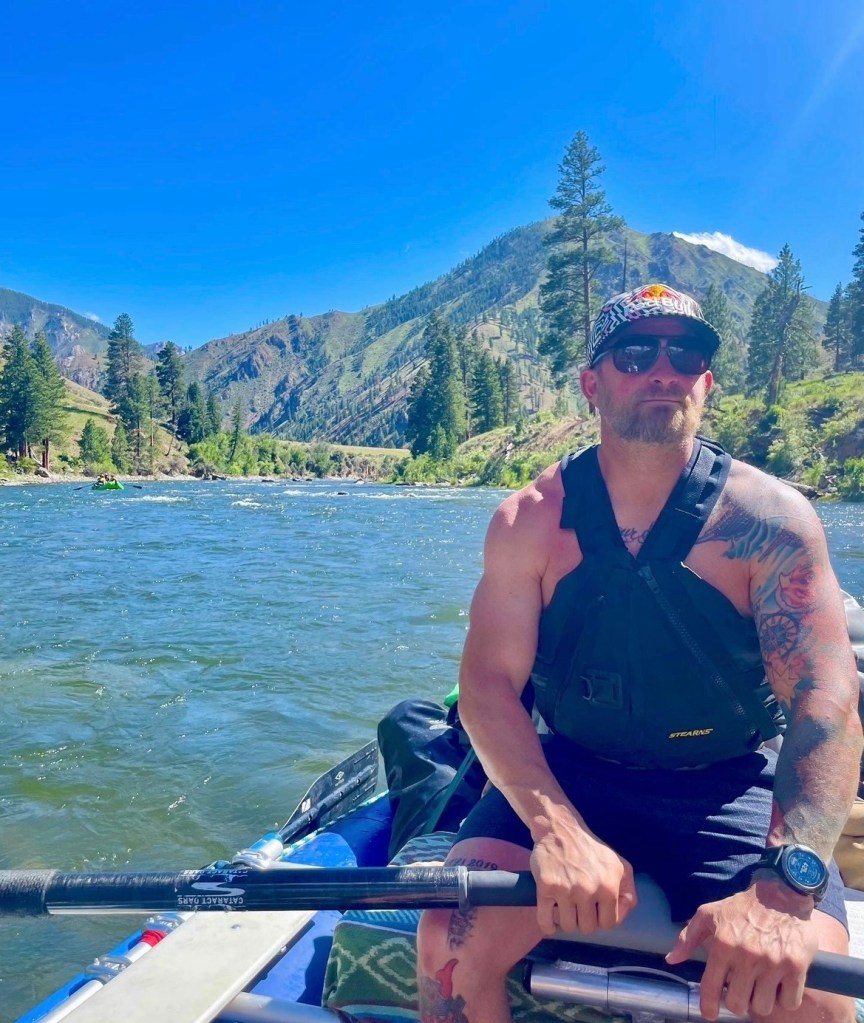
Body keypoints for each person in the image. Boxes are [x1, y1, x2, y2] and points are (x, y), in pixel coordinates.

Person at [416, 283, 863, 1023]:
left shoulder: (771, 522)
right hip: (573, 772)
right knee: (447, 943)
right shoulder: (530, 521)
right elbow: (488, 686)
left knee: (815, 996)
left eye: (685, 354)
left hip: (729, 783)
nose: (663, 370)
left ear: (705, 382)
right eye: (634, 352)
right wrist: (557, 831)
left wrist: (785, 885)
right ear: (592, 384)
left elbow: (827, 701)